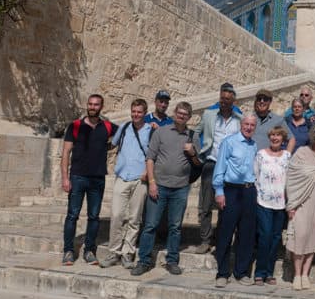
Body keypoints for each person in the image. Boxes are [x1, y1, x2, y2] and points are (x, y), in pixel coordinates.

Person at [132, 102, 200, 276]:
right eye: (179, 113)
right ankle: (144, 261)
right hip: (159, 185)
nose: (182, 116)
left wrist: (192, 153)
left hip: (181, 187)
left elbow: (199, 163)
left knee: (175, 226)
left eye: (185, 114)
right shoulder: (161, 132)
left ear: (189, 117)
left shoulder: (193, 135)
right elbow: (150, 158)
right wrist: (152, 182)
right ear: (174, 114)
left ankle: (172, 261)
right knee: (150, 225)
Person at [61, 94, 115, 266]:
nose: (92, 107)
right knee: (72, 215)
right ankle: (68, 251)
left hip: (97, 178)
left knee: (94, 216)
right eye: (90, 104)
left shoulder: (107, 126)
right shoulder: (75, 126)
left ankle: (89, 251)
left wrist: (110, 146)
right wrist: (65, 177)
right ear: (87, 105)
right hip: (77, 177)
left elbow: (124, 134)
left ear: (101, 106)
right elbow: (65, 154)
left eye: (96, 104)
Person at [101, 98, 151, 269]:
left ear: (145, 113)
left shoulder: (150, 131)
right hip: (122, 176)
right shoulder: (123, 128)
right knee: (116, 215)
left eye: (139, 112)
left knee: (135, 218)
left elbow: (154, 155)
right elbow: (111, 145)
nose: (136, 114)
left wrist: (148, 173)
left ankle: (127, 252)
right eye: (134, 111)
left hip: (140, 179)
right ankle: (114, 251)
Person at [192, 82, 241, 254]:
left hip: (229, 168)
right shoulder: (209, 115)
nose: (224, 101)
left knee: (224, 206)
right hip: (211, 164)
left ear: (233, 100)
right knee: (205, 205)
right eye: (222, 98)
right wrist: (198, 154)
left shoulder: (238, 121)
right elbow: (196, 133)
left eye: (228, 99)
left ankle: (221, 240)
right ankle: (205, 240)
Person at [285, 123, 315, 290]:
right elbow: (291, 178)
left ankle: (305, 274)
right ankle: (296, 274)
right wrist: (291, 204)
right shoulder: (301, 153)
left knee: (314, 236)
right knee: (301, 236)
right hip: (302, 201)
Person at [213, 114, 259, 287]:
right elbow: (220, 167)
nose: (249, 127)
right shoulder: (229, 142)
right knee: (225, 232)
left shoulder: (254, 145)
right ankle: (222, 273)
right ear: (241, 125)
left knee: (247, 234)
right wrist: (219, 191)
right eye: (246, 124)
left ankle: (241, 272)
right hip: (230, 190)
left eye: (252, 125)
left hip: (249, 191)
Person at [253, 126, 292, 285]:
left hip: (281, 203)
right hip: (263, 202)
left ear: (283, 139)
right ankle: (259, 272)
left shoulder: (287, 156)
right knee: (265, 236)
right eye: (273, 135)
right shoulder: (261, 154)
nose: (275, 138)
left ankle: (269, 273)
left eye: (278, 135)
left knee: (276, 238)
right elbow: (255, 175)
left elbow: (290, 179)